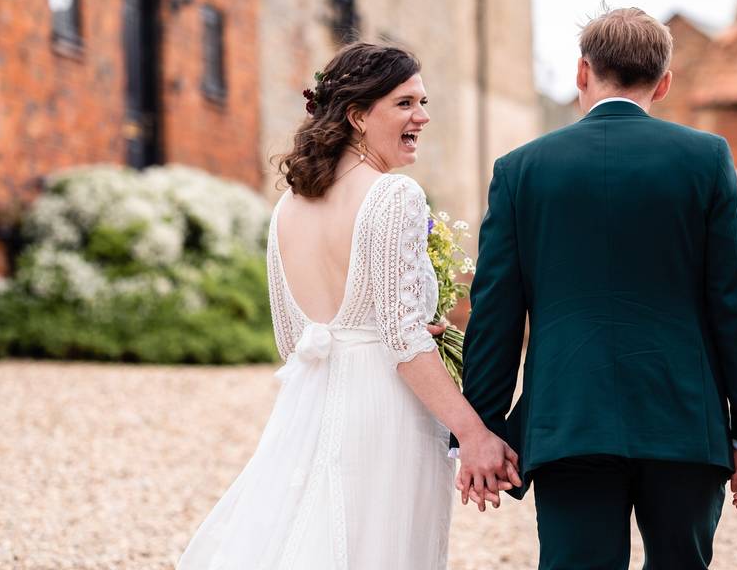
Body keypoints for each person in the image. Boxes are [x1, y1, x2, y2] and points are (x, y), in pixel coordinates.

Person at [177, 42, 519, 570]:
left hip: (308, 401)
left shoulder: (287, 207)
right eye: (405, 104)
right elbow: (403, 342)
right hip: (384, 410)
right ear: (358, 116)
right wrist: (474, 434)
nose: (422, 117)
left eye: (423, 102)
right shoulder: (393, 196)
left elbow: (292, 342)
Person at [452, 7, 737, 569]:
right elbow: (734, 303)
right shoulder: (705, 158)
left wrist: (483, 430)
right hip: (683, 419)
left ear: (582, 72)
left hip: (568, 421)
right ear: (664, 83)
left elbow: (495, 312)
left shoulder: (521, 170)